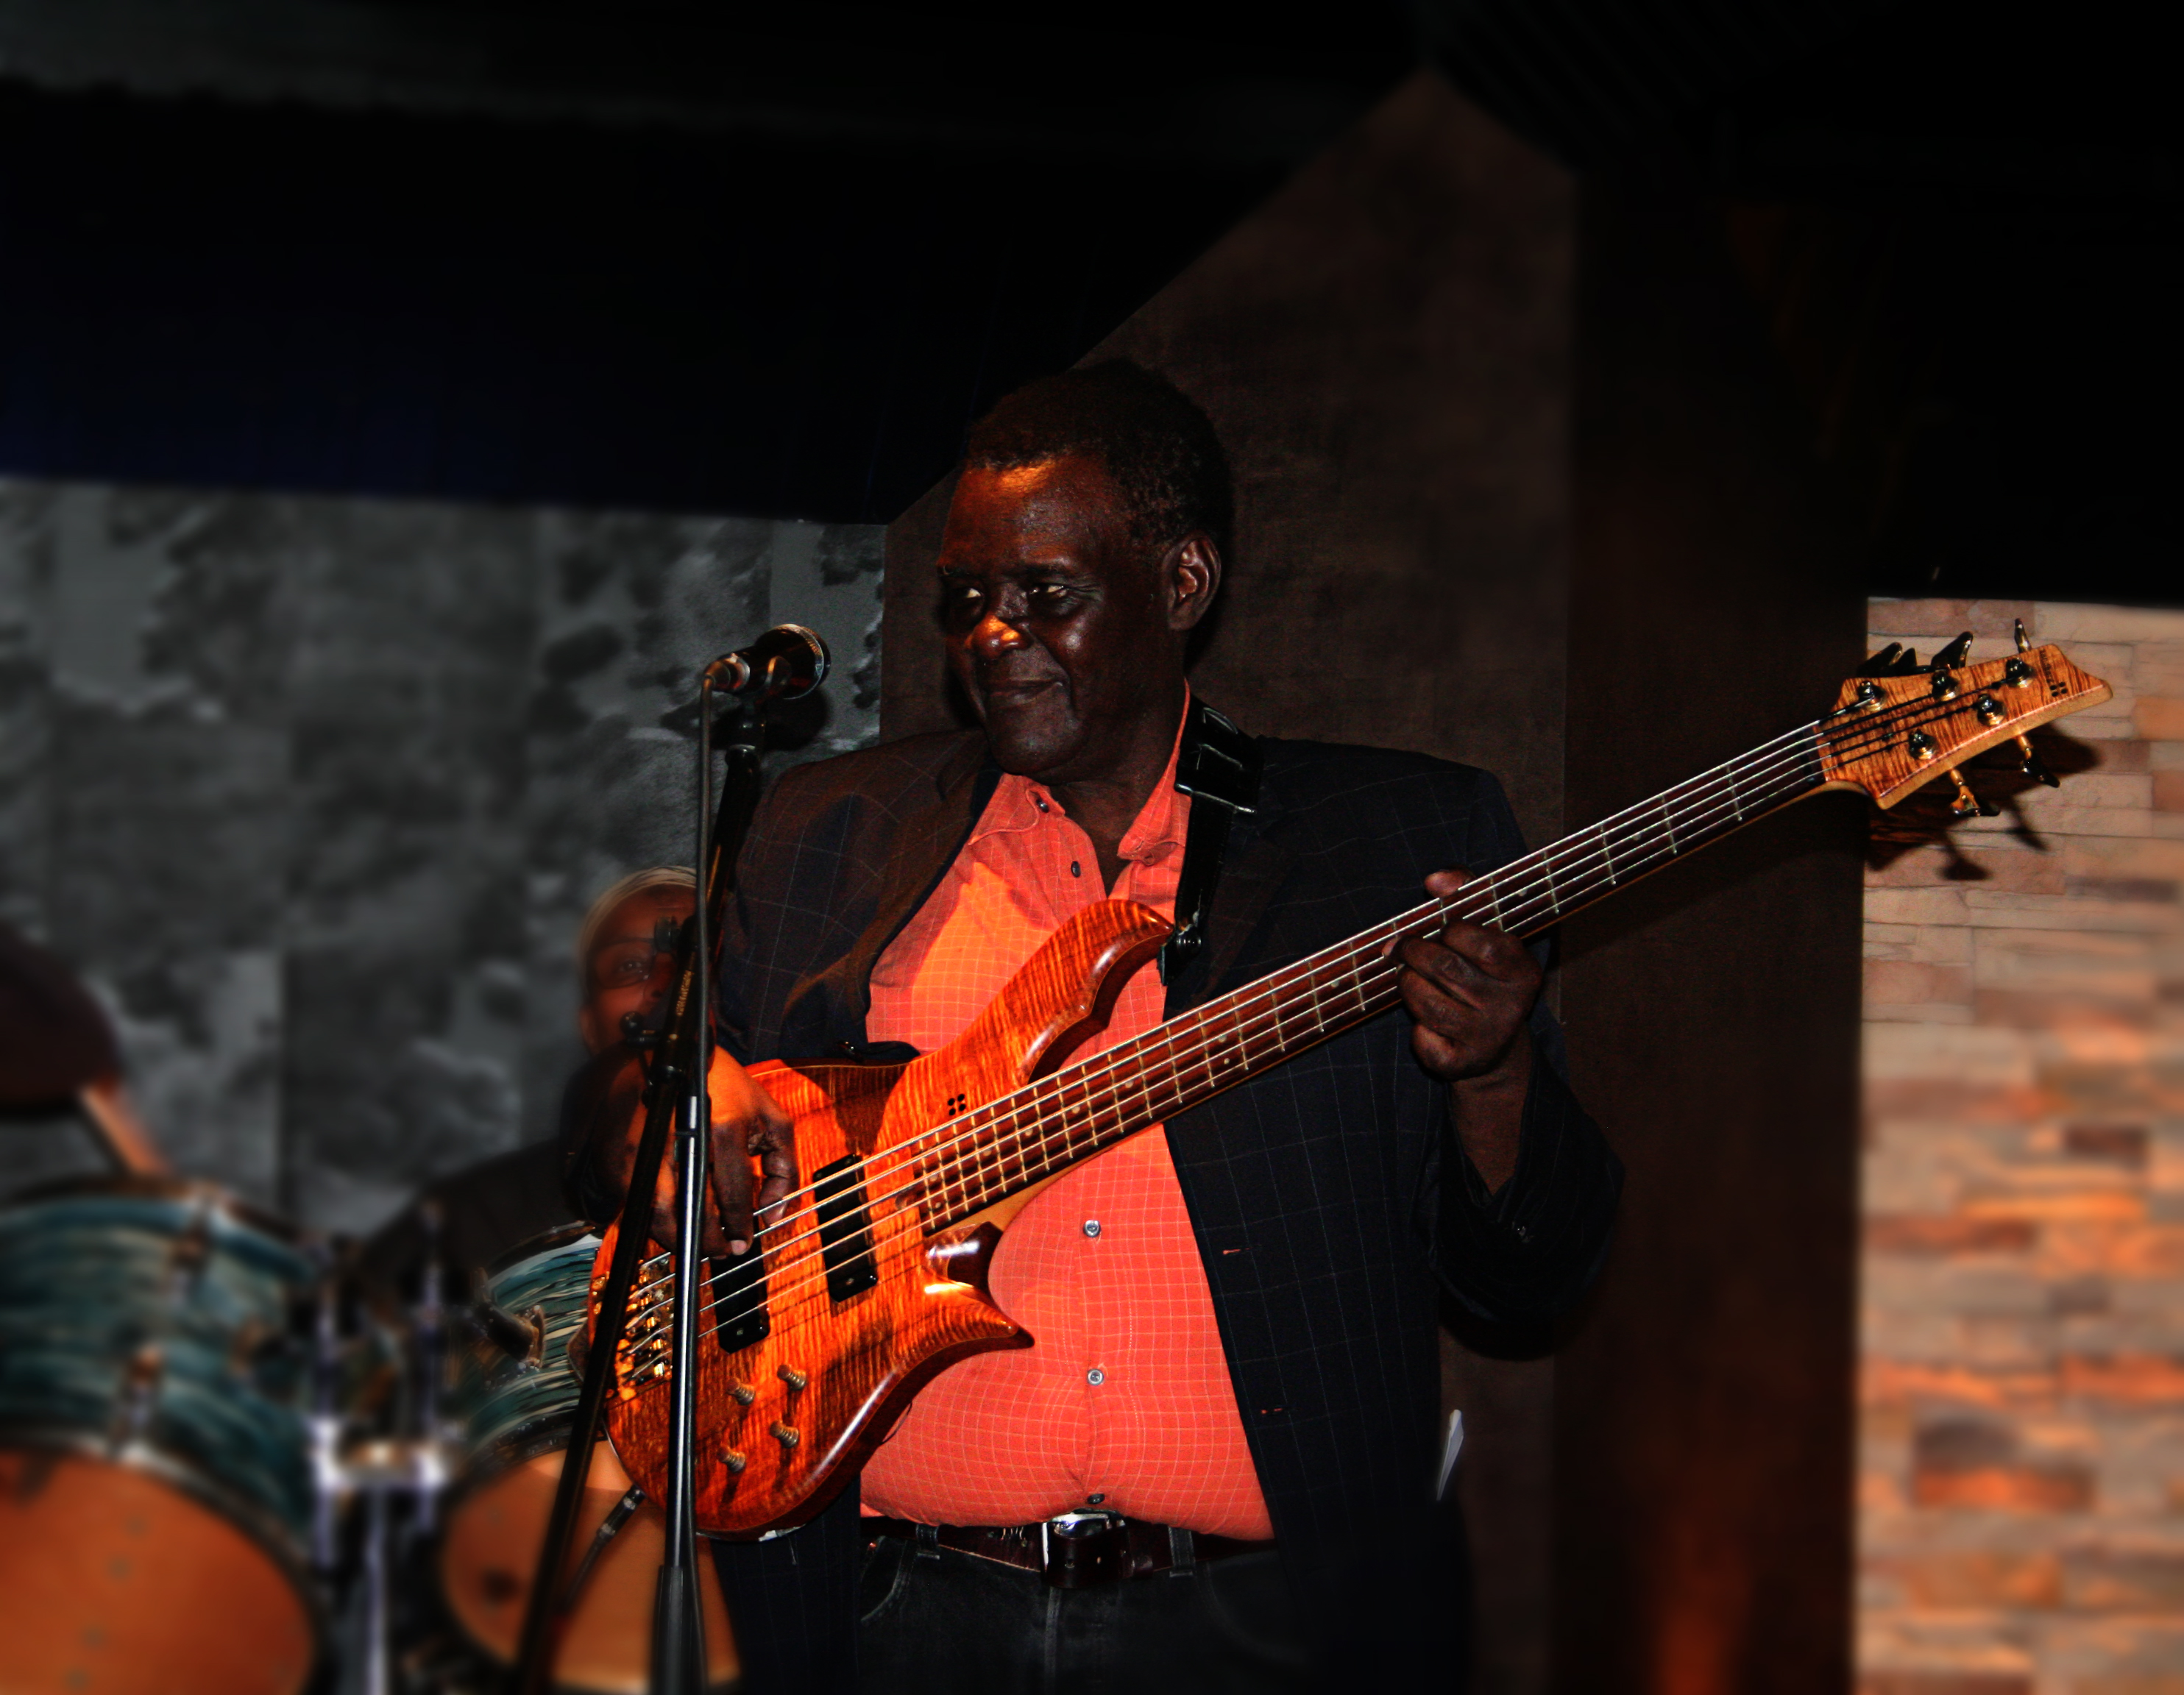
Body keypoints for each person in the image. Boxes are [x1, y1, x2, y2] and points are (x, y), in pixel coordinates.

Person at [570, 360, 1624, 1691]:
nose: (990, 636)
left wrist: (1490, 1071)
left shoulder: (1392, 843)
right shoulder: (826, 831)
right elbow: (619, 1114)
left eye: (1045, 595)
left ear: (1181, 583)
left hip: (1264, 1626)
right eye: (966, 598)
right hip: (896, 1615)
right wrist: (683, 1107)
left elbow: (1532, 1280)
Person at [361, 866, 697, 1299]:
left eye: (695, 958)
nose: (665, 985)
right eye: (630, 965)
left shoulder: (786, 1175)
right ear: (589, 1027)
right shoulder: (467, 1217)